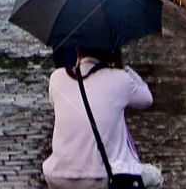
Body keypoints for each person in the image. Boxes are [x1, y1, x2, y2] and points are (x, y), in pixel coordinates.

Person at [43, 48, 163, 188]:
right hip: (100, 177)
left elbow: (56, 103)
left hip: (57, 176)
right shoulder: (120, 78)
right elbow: (147, 99)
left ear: (77, 51)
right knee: (155, 176)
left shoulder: (56, 78)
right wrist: (124, 68)